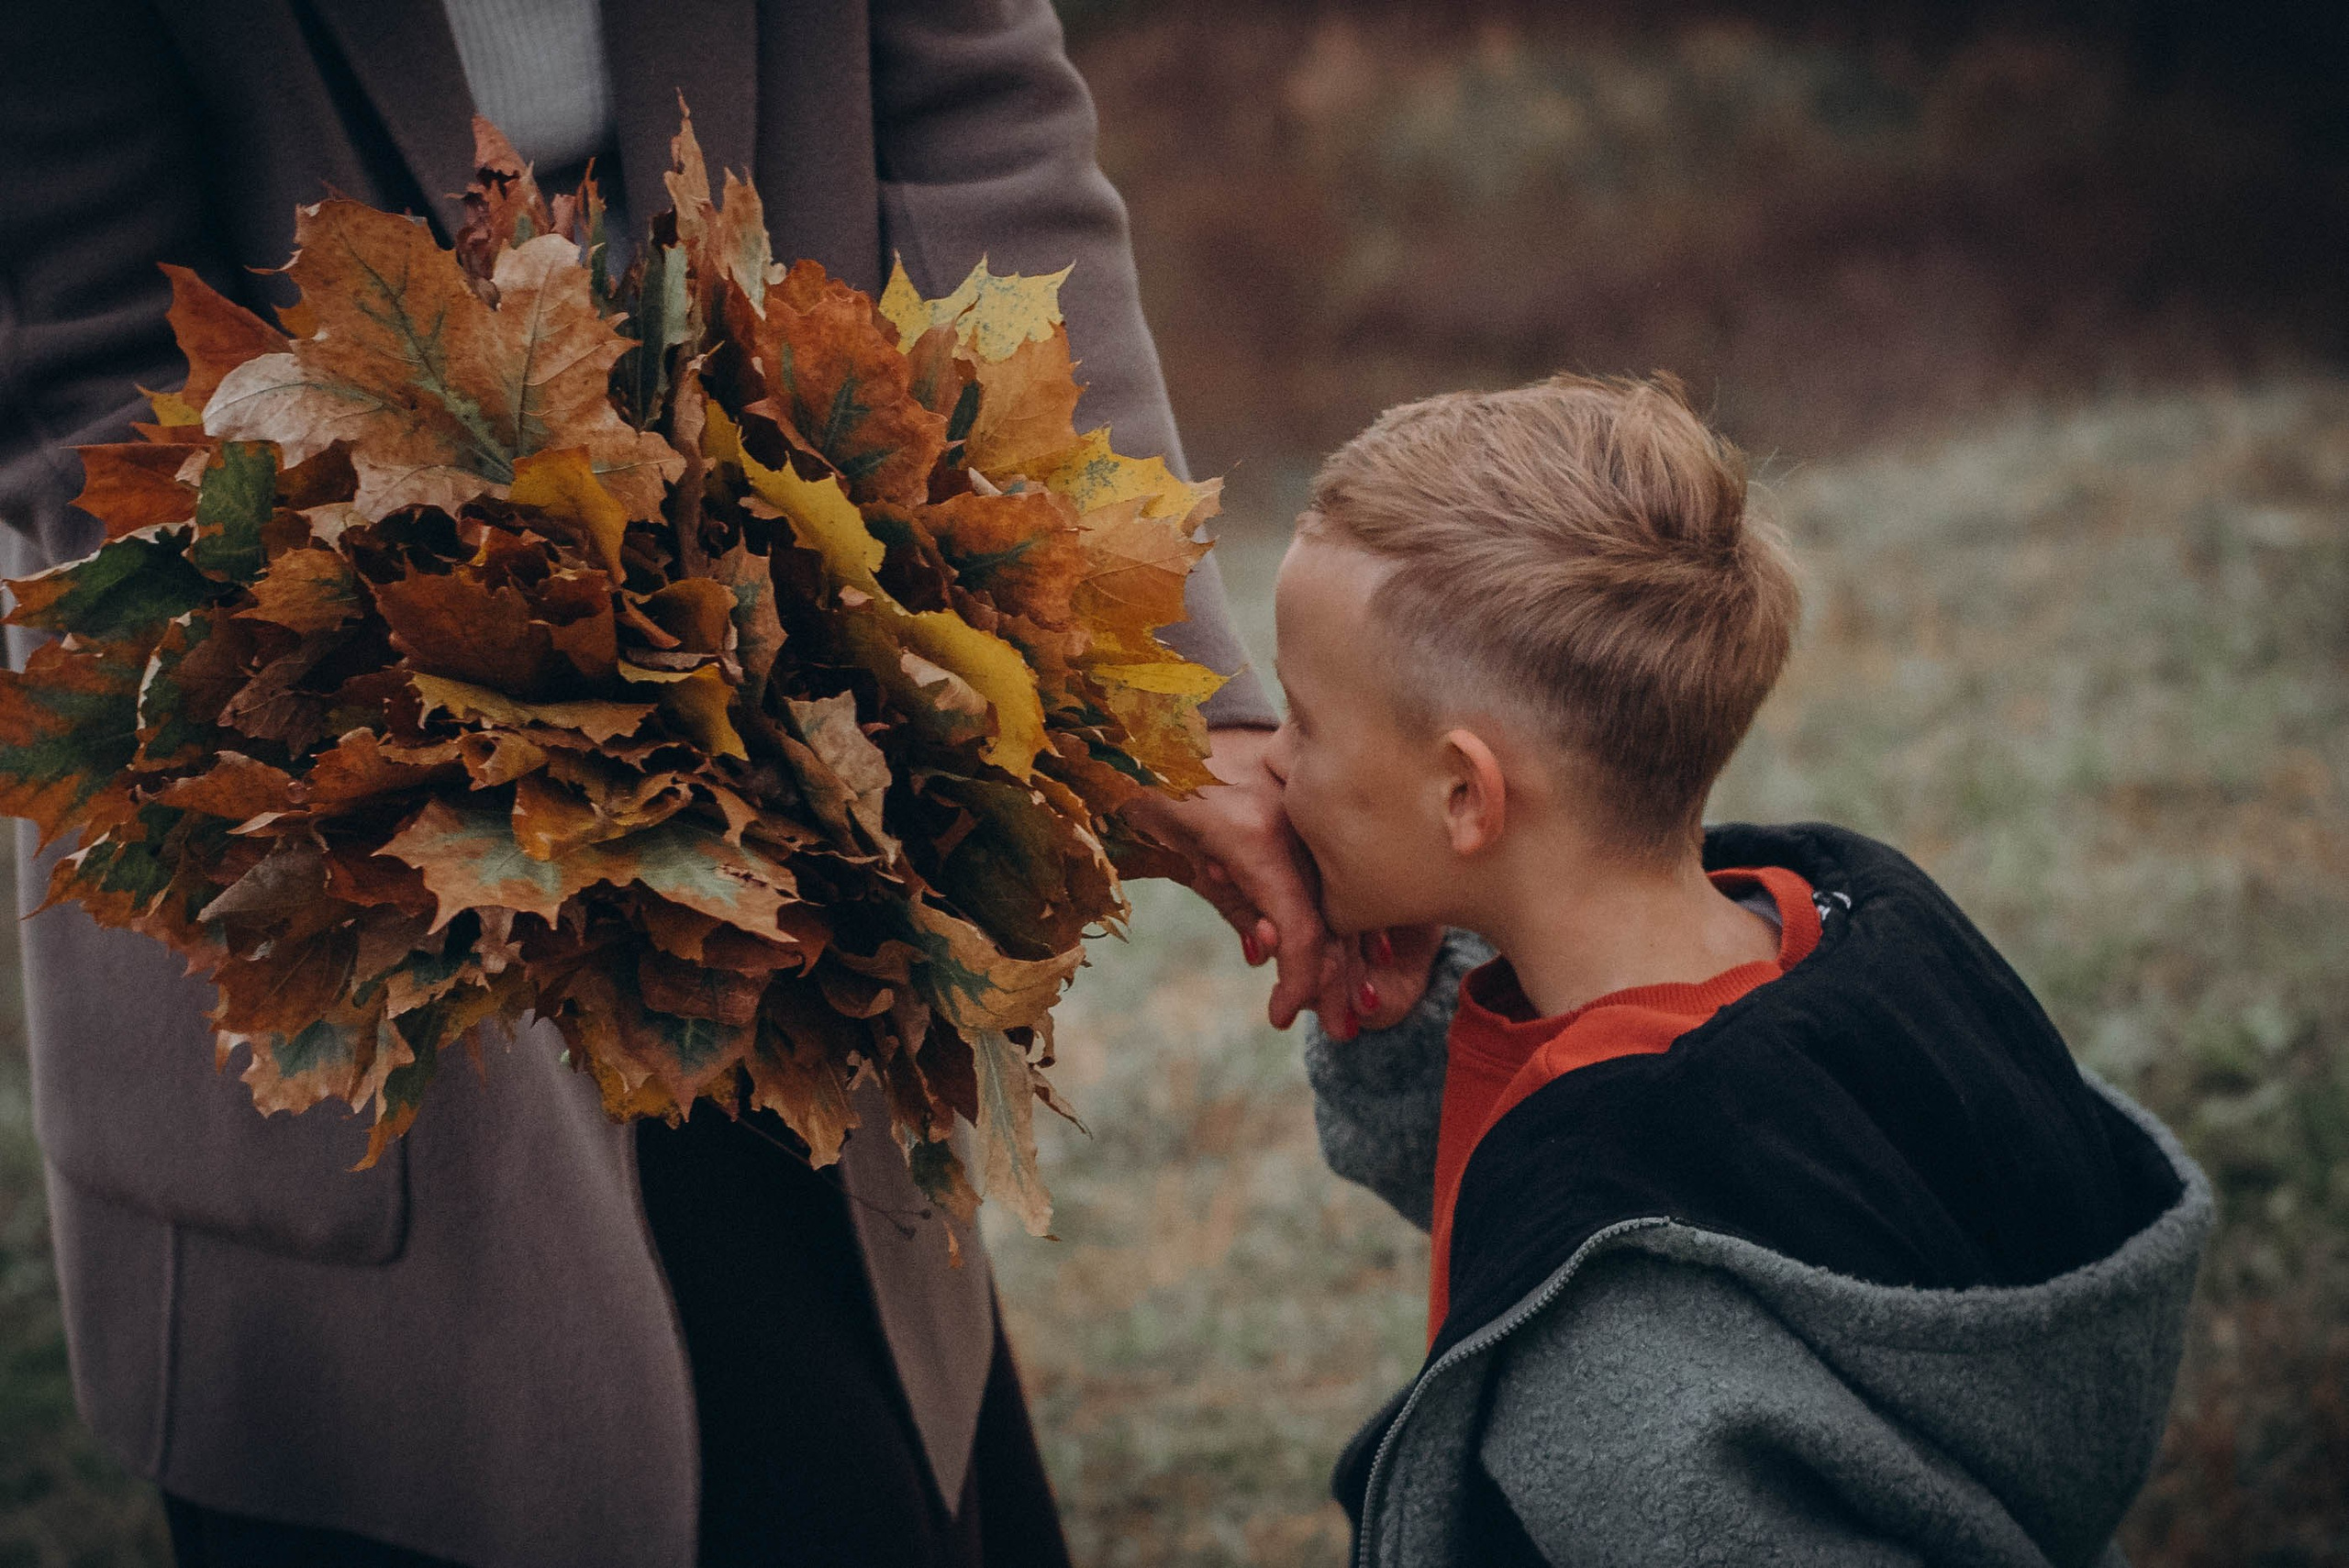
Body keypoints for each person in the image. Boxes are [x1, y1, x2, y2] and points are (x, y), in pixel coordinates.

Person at [0, 3, 1341, 1564]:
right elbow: (97, 377)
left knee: (852, 1467)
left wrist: (1148, 696)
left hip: (809, 783)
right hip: (355, 809)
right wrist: (543, 760)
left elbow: (983, 133)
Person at [1267, 373, 2213, 1565]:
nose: (1275, 767)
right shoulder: (1817, 943)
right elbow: (1502, 1179)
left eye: (1302, 721)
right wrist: (1406, 1006)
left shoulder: (1624, 1386)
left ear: (1466, 795)